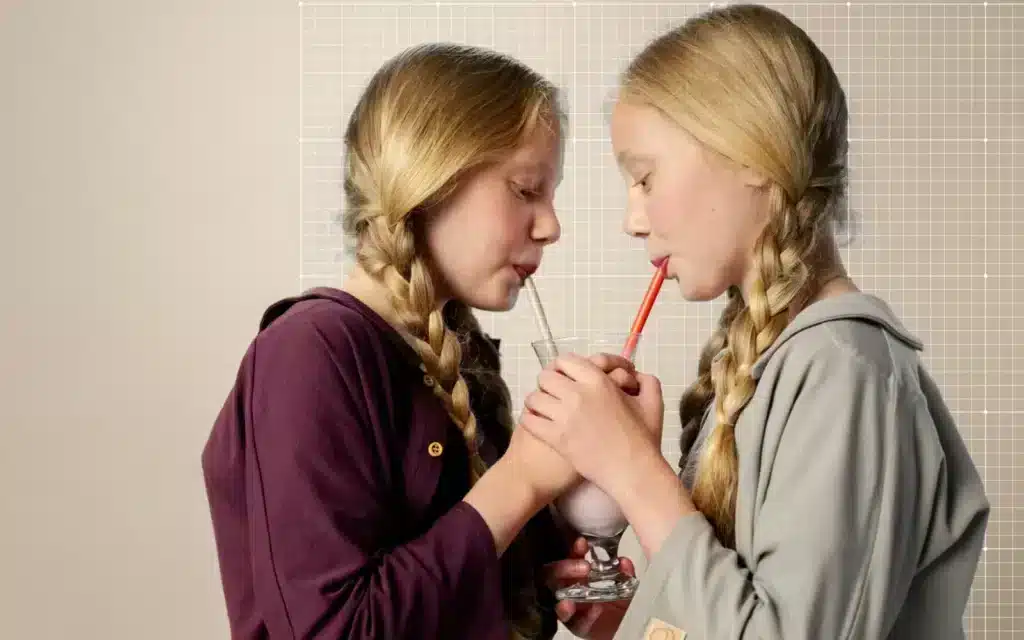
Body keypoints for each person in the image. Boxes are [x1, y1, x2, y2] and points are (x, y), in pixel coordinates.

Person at [520, 5, 990, 639]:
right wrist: (634, 619)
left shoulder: (845, 372)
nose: (634, 219)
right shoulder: (773, 366)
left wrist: (634, 470)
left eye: (644, 177)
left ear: (751, 156)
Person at [200, 43, 638, 640]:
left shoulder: (460, 354)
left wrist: (556, 583)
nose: (551, 225)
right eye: (526, 189)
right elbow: (335, 630)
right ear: (431, 179)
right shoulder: (311, 352)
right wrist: (525, 481)